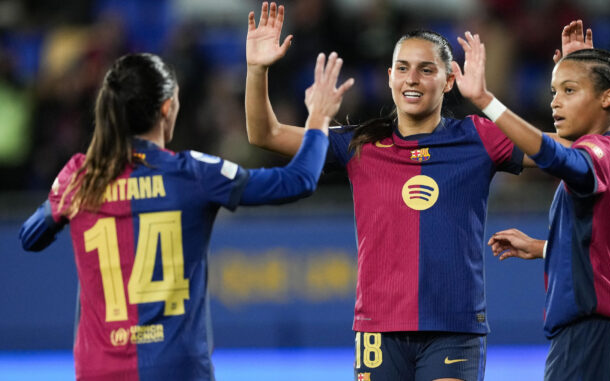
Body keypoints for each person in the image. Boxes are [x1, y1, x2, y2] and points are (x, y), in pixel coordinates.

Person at [244, 3, 591, 380]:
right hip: (378, 328)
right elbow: (266, 134)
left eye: (427, 70)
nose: (413, 79)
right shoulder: (360, 144)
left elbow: (578, 151)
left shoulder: (479, 137)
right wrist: (256, 68)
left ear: (448, 81)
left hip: (454, 328)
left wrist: (580, 84)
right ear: (389, 76)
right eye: (404, 68)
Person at [19, 51, 352, 380]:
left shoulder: (80, 176)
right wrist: (318, 119)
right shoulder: (193, 173)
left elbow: (31, 237)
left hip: (99, 370)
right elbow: (299, 181)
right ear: (167, 107)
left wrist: (61, 199)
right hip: (176, 367)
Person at [453, 29, 610, 380]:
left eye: (569, 91)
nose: (554, 102)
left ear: (607, 98)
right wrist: (545, 247)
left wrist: (486, 101)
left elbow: (554, 157)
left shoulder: (596, 153)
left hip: (593, 339)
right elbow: (605, 247)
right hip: (604, 340)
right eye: (554, 91)